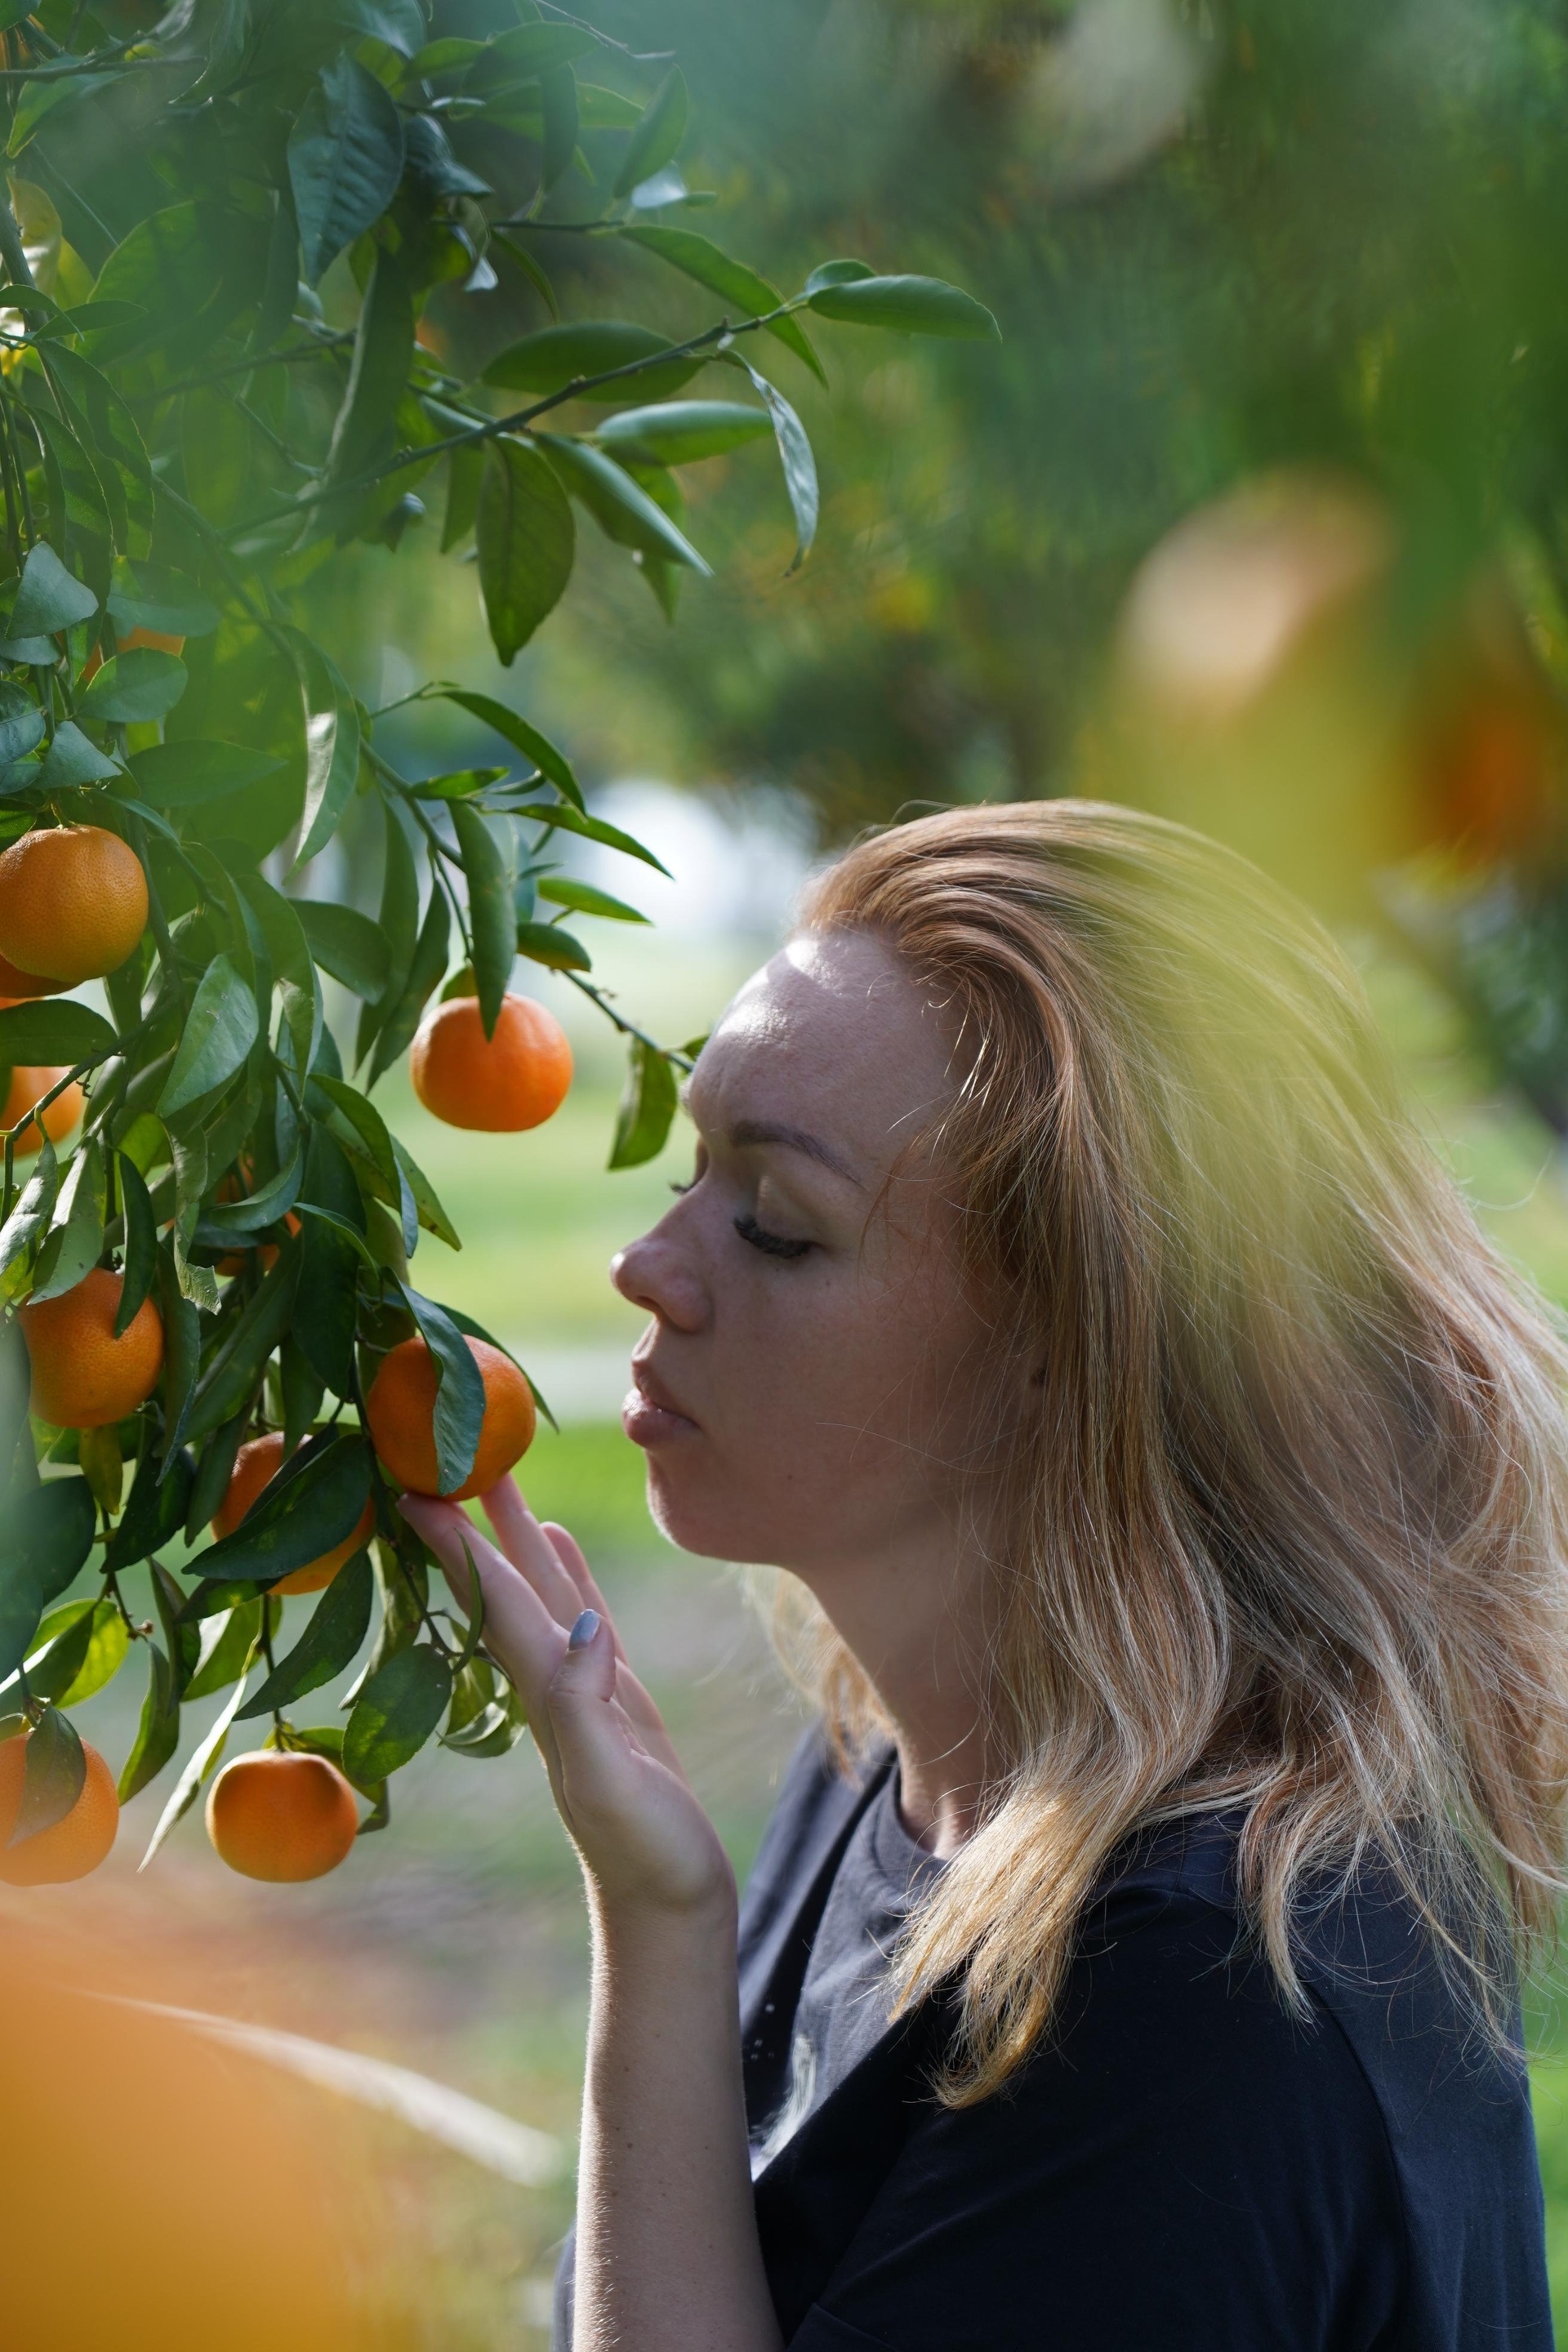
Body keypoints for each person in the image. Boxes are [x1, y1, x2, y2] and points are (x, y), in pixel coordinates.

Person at [402, 801, 1568, 2352]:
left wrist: (658, 1932)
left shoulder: (1198, 2002)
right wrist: (663, 1910)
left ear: (1063, 1355)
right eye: (697, 1172)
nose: (649, 1263)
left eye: (773, 1223)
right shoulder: (901, 1767)